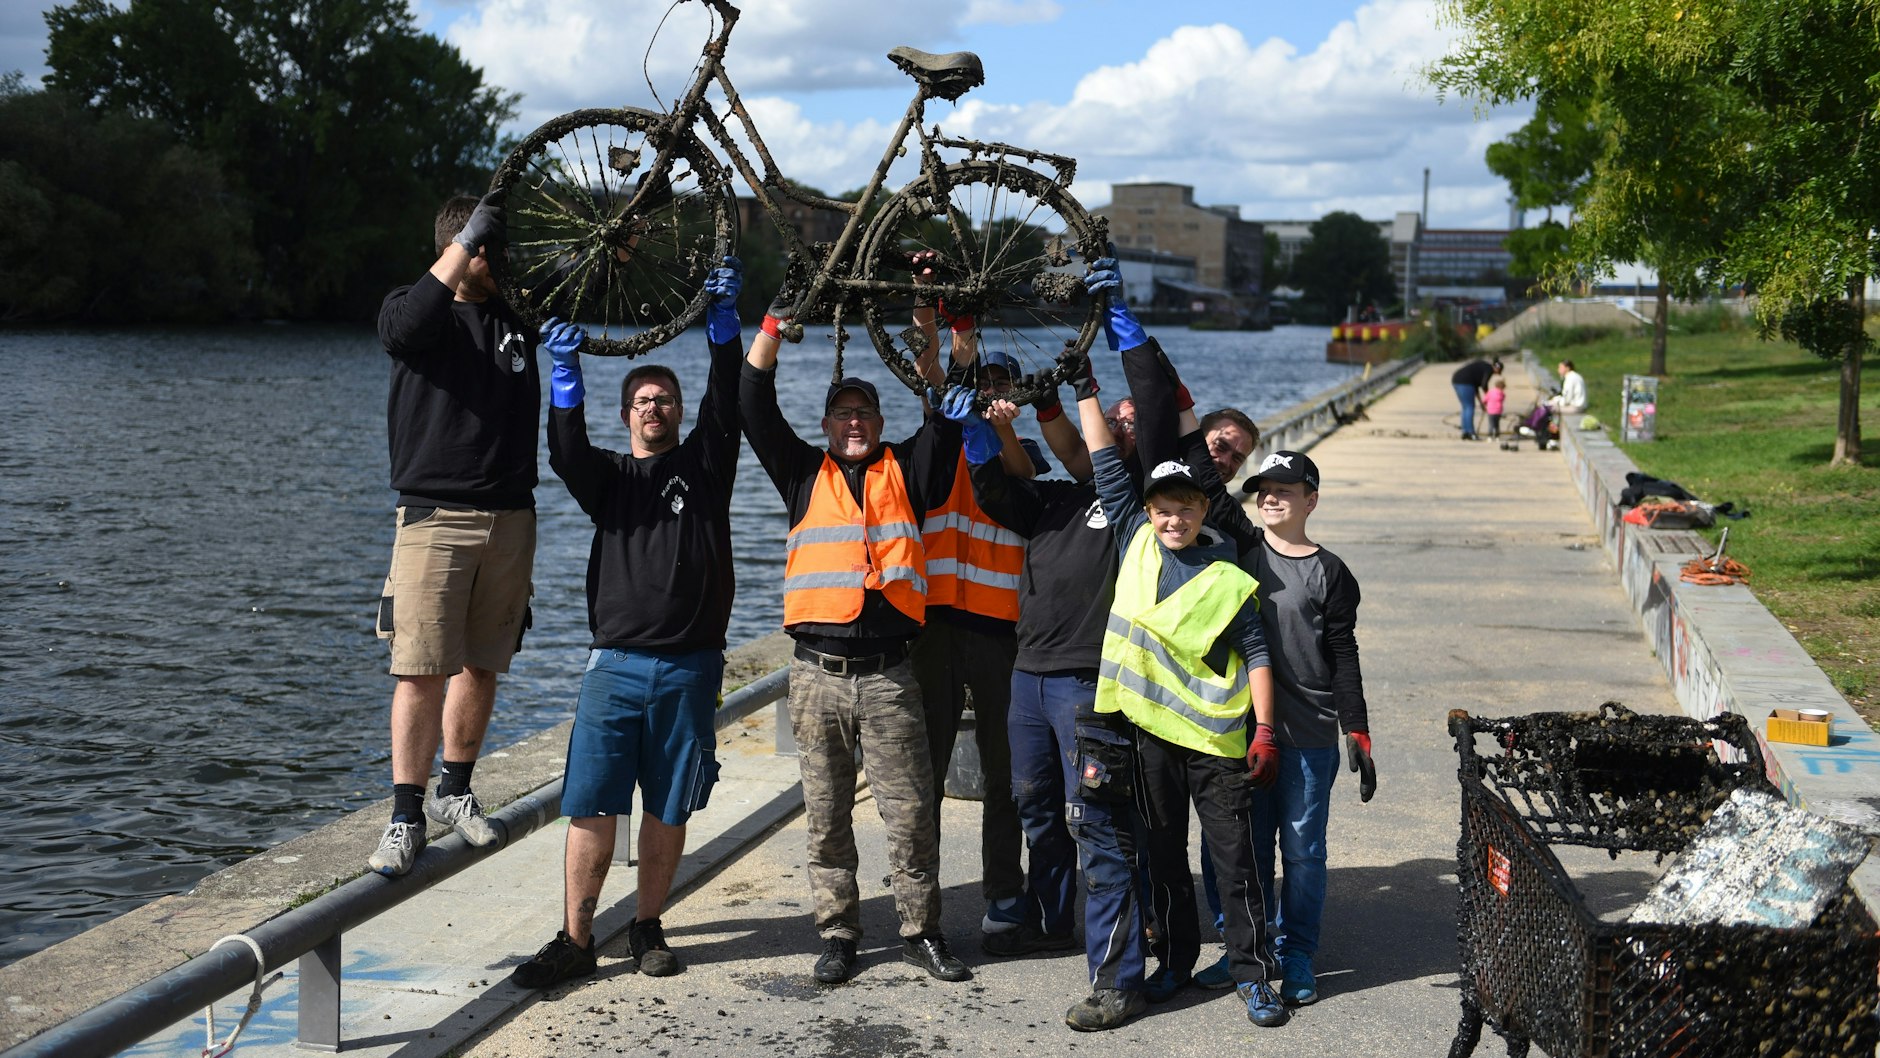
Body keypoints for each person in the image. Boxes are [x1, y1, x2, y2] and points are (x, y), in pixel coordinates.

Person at [1111, 303, 1377, 1015]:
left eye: (1286, 492)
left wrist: (1357, 727)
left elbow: (1343, 653)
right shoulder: (1235, 545)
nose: (1272, 501)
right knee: (1240, 854)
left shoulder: (1331, 572)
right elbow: (1191, 459)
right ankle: (1243, 954)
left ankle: (1296, 954)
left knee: (1304, 851)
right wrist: (1148, 353)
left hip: (1308, 731)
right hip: (1236, 730)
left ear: (1310, 500)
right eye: (1265, 492)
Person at [507, 260, 746, 989]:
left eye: (665, 398)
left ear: (678, 410)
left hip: (690, 666)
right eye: (642, 400)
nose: (654, 408)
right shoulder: (607, 478)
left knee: (668, 806)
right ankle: (576, 938)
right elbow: (564, 451)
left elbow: (727, 401)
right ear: (626, 416)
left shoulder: (706, 465)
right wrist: (565, 372)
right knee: (591, 804)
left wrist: (724, 329)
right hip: (612, 667)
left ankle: (647, 925)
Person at [739, 287, 974, 986]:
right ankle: (838, 933)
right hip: (814, 678)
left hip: (889, 675)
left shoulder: (910, 469)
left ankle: (921, 931)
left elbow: (949, 408)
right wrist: (772, 325)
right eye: (842, 414)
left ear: (880, 420)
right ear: (826, 424)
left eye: (864, 413)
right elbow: (753, 402)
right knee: (825, 815)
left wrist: (953, 334)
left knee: (911, 813)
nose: (853, 423)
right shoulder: (800, 472)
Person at [1076, 261, 1289, 1028]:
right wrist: (1082, 382)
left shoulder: (1227, 563)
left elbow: (1256, 649)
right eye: (1163, 506)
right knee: (1163, 860)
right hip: (1149, 737)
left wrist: (1264, 730)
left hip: (1218, 741)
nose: (1174, 517)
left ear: (1203, 507)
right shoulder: (1134, 533)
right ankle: (1174, 962)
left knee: (1235, 863)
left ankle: (1253, 974)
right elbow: (1106, 458)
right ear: (1151, 506)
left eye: (1187, 506)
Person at [952, 366, 1151, 1031]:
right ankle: (1049, 921)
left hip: (1086, 684)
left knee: (1097, 824)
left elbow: (1095, 448)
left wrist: (1070, 401)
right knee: (1034, 806)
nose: (1118, 425)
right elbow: (996, 489)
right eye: (1113, 416)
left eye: (1130, 422)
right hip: (1028, 677)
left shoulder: (1136, 502)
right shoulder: (1058, 498)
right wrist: (978, 429)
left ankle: (1118, 980)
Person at [369, 190, 538, 877]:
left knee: (483, 663)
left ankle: (455, 791)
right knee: (420, 668)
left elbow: (584, 276)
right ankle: (404, 817)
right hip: (435, 517)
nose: (504, 263)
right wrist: (468, 242)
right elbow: (406, 329)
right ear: (459, 248)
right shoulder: (410, 309)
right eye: (493, 251)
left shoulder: (517, 314)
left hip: (512, 516)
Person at [905, 289, 1035, 947]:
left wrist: (997, 427)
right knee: (923, 768)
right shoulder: (931, 444)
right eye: (982, 381)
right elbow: (931, 370)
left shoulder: (1020, 451)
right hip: (930, 626)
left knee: (1004, 770)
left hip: (997, 629)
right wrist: (931, 316)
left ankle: (1004, 895)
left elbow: (1021, 473)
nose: (989, 392)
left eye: (1001, 384)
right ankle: (918, 898)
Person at [1450, 357, 1501, 441]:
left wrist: (1481, 403)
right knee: (1469, 407)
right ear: (1497, 368)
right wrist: (1489, 397)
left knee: (1466, 407)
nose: (1496, 374)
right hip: (1465, 382)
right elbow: (1484, 385)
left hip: (1457, 380)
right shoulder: (1489, 369)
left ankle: (1465, 432)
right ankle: (1471, 433)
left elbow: (1476, 387)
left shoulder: (1483, 368)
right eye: (1498, 372)